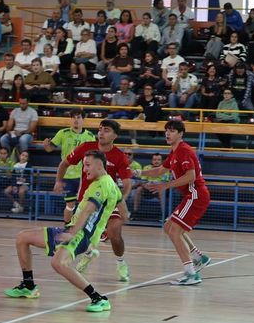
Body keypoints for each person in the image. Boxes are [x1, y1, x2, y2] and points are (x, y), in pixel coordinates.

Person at [4, 149, 121, 312]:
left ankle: (98, 298)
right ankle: (28, 285)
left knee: (58, 263)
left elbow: (88, 210)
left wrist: (72, 233)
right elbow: (120, 204)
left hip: (81, 234)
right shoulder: (111, 184)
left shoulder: (102, 184)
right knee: (22, 238)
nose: (84, 169)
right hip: (74, 230)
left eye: (87, 165)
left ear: (99, 165)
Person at [50, 118, 134, 282]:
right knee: (81, 235)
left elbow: (127, 184)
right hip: (86, 201)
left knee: (114, 233)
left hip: (109, 201)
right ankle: (88, 253)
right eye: (100, 129)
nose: (101, 132)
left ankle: (120, 262)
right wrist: (59, 180)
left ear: (115, 135)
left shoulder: (119, 156)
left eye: (107, 130)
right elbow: (64, 164)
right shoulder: (86, 148)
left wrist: (119, 201)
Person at [144, 118, 211, 285]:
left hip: (195, 194)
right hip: (191, 195)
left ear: (180, 134)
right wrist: (135, 171)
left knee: (175, 231)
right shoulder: (174, 152)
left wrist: (165, 185)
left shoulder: (184, 150)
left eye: (172, 130)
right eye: (167, 130)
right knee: (169, 227)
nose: (168, 133)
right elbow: (160, 170)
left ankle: (191, 273)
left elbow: (191, 176)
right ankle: (198, 257)